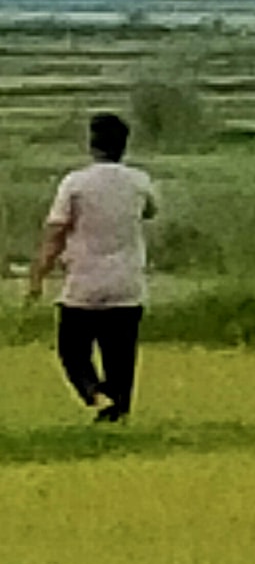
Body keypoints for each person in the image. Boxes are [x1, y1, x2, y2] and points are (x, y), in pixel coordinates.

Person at [26, 112, 159, 423]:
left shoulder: (76, 183)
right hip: (127, 283)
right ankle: (118, 412)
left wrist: (38, 276)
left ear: (92, 145)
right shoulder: (139, 181)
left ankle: (94, 393)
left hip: (84, 283)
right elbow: (151, 211)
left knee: (72, 351)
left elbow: (55, 233)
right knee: (121, 357)